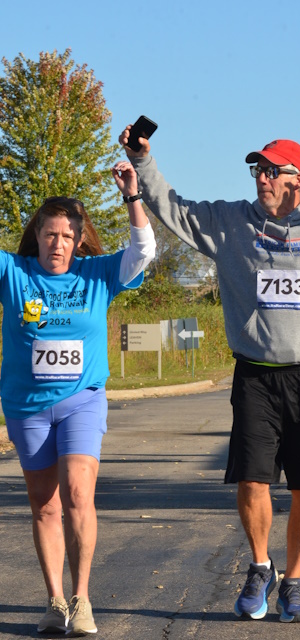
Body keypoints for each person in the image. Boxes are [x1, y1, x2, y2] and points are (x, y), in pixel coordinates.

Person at [119, 126, 300, 623]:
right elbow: (173, 209)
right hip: (255, 375)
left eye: (273, 170)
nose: (262, 177)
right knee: (252, 479)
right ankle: (261, 567)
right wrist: (142, 161)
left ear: (297, 179)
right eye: (258, 169)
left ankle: (293, 582)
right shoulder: (231, 222)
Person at [1, 162, 156, 636]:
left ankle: (81, 599)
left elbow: (143, 250)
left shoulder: (98, 274)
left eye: (67, 236)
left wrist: (132, 196)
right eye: (50, 234)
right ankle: (54, 602)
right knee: (44, 504)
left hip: (82, 400)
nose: (58, 243)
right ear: (37, 236)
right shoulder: (14, 272)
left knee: (76, 493)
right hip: (27, 405)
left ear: (79, 239)